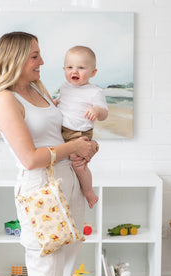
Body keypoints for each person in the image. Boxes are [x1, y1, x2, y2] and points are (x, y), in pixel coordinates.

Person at [0, 32, 98, 276]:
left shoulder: (38, 90)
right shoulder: (5, 98)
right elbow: (29, 158)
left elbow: (59, 134)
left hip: (68, 178)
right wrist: (72, 148)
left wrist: (87, 146)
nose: (42, 62)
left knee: (66, 268)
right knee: (46, 272)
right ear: (15, 59)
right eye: (35, 56)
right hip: (40, 186)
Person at [55, 45, 108, 209]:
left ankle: (88, 191)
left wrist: (96, 110)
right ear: (64, 69)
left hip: (79, 132)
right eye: (70, 67)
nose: (74, 71)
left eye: (81, 67)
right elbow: (62, 101)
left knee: (79, 165)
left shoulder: (94, 91)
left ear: (93, 72)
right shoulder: (65, 87)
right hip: (60, 129)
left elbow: (105, 113)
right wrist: (55, 103)